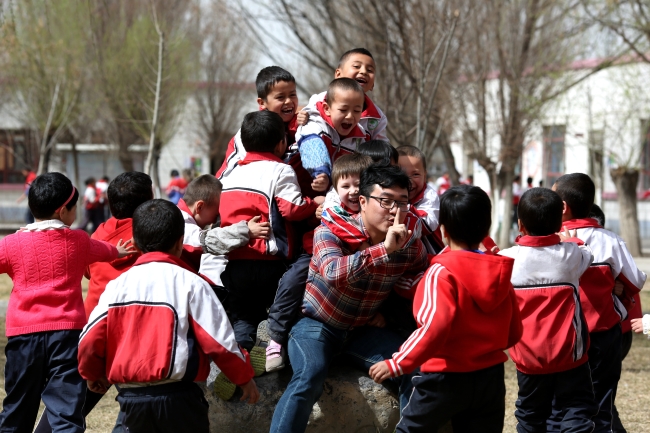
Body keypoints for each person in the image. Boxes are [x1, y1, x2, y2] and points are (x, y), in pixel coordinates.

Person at [270, 165, 429, 433]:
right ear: (363, 202)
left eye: (402, 203)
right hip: (316, 325)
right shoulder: (331, 230)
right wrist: (384, 250)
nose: (395, 211)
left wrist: (391, 315)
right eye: (386, 201)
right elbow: (333, 272)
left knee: (414, 369)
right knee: (310, 374)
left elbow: (422, 278)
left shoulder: (410, 244)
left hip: (363, 331)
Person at [78, 199, 259, 433]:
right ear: (179, 243)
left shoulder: (117, 286)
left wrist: (91, 373)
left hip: (131, 398)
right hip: (179, 397)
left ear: (136, 243)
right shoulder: (192, 283)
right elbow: (220, 342)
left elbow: (89, 339)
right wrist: (244, 377)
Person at [369, 184, 523, 433]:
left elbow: (433, 327)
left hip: (445, 376)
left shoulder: (440, 272)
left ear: (443, 231)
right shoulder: (499, 272)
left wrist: (398, 363)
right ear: (487, 227)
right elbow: (514, 331)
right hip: (490, 378)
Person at [0, 172, 135, 432]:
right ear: (64, 211)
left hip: (23, 337)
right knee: (66, 409)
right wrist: (118, 251)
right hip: (66, 335)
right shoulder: (78, 241)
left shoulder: (12, 244)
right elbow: (105, 251)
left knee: (17, 407)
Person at [34, 171, 154, 433]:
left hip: (92, 330)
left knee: (67, 405)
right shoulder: (151, 237)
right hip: (133, 334)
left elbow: (88, 271)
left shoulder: (98, 233)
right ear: (149, 201)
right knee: (136, 408)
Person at [219, 111, 323, 353]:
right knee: (283, 305)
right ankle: (272, 348)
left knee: (244, 317)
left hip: (235, 265)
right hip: (269, 263)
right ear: (281, 144)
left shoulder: (230, 175)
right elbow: (291, 209)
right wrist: (314, 202)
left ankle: (241, 355)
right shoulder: (280, 170)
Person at [552, 173, 646, 433]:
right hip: (604, 335)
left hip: (566, 336)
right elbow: (636, 281)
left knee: (564, 405)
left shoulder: (551, 241)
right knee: (602, 405)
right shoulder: (610, 240)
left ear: (561, 207)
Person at [499, 187, 597, 432]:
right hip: (570, 353)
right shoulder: (571, 254)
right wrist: (568, 238)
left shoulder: (505, 260)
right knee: (576, 409)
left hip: (528, 356)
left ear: (520, 225)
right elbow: (588, 253)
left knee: (530, 415)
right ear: (559, 223)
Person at [265, 153, 373, 372]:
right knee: (292, 281)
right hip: (315, 253)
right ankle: (275, 337)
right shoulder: (332, 203)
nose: (352, 191)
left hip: (348, 274)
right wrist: (363, 243)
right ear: (335, 188)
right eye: (346, 185)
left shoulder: (373, 206)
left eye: (358, 185)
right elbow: (336, 222)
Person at [176, 174, 270, 299]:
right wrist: (246, 231)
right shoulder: (179, 221)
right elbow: (205, 241)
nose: (216, 220)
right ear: (199, 206)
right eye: (216, 214)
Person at [216, 66, 306, 181]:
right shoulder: (251, 132)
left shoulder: (297, 123)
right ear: (262, 102)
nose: (288, 101)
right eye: (280, 97)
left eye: (292, 95)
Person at [292, 77, 367, 195]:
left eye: (357, 111)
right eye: (343, 110)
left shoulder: (360, 138)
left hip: (329, 196)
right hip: (298, 188)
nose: (350, 116)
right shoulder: (314, 123)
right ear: (327, 109)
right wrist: (321, 172)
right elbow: (312, 146)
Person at [303, 48, 388, 143]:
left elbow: (382, 148)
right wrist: (301, 118)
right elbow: (304, 126)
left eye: (370, 70)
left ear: (373, 84)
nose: (364, 72)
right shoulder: (320, 99)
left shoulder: (378, 117)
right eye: (356, 66)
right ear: (338, 74)